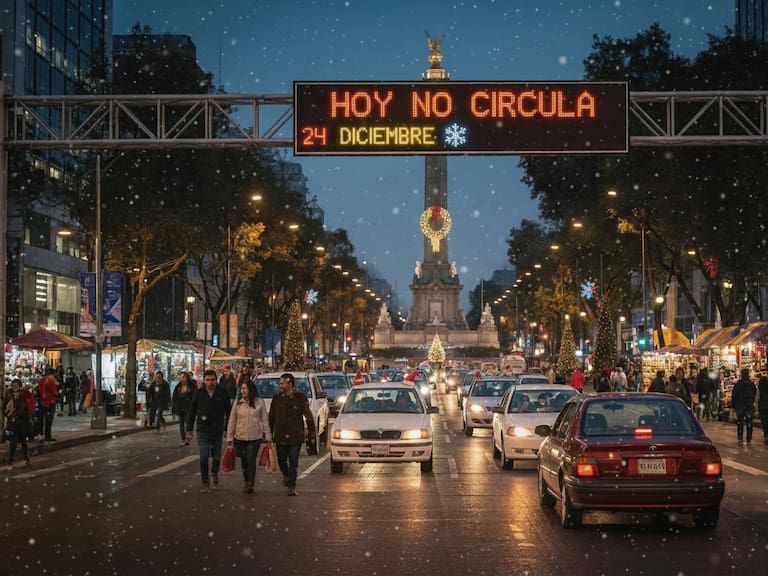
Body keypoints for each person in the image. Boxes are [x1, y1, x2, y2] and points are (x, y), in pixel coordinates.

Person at [268, 372, 316, 496]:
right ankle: (286, 474)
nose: (280, 385)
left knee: (293, 461)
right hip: (280, 435)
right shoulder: (277, 398)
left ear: (290, 384)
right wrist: (268, 432)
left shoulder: (300, 398)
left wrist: (311, 431)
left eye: (282, 383)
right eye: (280, 383)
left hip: (296, 435)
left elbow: (308, 415)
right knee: (282, 460)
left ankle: (291, 485)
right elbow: (272, 417)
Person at [186, 369, 231, 492]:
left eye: (212, 380)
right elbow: (192, 411)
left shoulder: (222, 393)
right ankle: (205, 483)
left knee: (216, 456)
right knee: (204, 456)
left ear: (216, 380)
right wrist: (189, 429)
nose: (210, 383)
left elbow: (229, 412)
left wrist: (227, 428)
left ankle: (214, 471)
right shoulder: (199, 393)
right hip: (203, 430)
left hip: (217, 430)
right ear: (204, 381)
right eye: (208, 380)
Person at [226, 380, 272, 494]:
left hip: (255, 437)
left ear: (251, 389)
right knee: (244, 461)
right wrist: (229, 438)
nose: (243, 391)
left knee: (251, 459)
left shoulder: (259, 402)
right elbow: (232, 420)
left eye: (245, 388)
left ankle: (250, 482)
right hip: (240, 437)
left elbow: (265, 420)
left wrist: (268, 437)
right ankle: (246, 479)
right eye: (242, 388)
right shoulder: (238, 402)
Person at [4, 378, 34, 468]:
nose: (14, 388)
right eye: (13, 386)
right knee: (13, 442)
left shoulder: (23, 395)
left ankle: (26, 457)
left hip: (22, 422)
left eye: (16, 386)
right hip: (13, 422)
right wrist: (9, 415)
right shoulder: (9, 395)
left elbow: (24, 409)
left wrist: (16, 402)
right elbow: (5, 407)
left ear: (20, 387)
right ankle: (11, 458)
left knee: (23, 441)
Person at [731, 368, 757, 446]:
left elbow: (734, 395)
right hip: (749, 406)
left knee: (740, 422)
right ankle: (749, 439)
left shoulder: (738, 384)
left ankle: (740, 438)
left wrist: (734, 405)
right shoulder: (751, 384)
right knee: (749, 422)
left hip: (740, 406)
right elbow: (754, 393)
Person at [172, 371, 195, 446]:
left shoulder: (192, 387)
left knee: (187, 424)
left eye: (184, 377)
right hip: (180, 408)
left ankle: (187, 438)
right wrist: (174, 409)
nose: (182, 379)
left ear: (187, 378)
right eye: (181, 377)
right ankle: (183, 439)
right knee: (181, 425)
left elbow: (195, 398)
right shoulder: (178, 387)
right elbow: (174, 398)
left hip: (188, 408)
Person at [37, 367, 59, 441]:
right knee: (49, 420)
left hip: (42, 402)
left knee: (41, 419)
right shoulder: (50, 381)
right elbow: (55, 392)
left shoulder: (40, 380)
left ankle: (40, 435)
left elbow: (39, 391)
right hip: (50, 402)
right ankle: (47, 435)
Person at [757, 372, 768, 445]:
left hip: (762, 407)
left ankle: (766, 437)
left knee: (764, 422)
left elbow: (757, 398)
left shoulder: (759, 389)